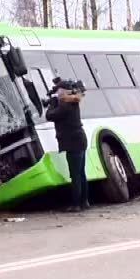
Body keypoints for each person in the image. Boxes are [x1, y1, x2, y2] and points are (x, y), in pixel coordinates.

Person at [45, 76, 90, 212]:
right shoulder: (73, 102)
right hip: (80, 140)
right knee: (81, 173)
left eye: (59, 92)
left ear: (64, 92)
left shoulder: (64, 106)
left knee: (75, 174)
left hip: (73, 142)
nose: (57, 94)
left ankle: (76, 204)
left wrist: (51, 104)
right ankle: (84, 202)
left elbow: (49, 116)